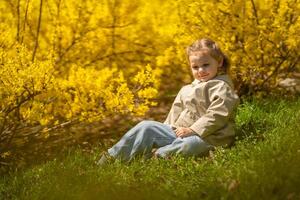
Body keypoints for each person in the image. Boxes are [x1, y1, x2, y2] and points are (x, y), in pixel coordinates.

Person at [97, 38, 239, 165]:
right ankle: (112, 157)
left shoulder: (222, 87)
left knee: (190, 145)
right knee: (146, 126)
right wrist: (166, 130)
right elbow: (174, 113)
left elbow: (217, 115)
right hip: (181, 133)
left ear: (219, 62)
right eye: (195, 67)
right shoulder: (187, 89)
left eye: (206, 65)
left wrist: (193, 130)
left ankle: (154, 158)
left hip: (209, 138)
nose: (201, 70)